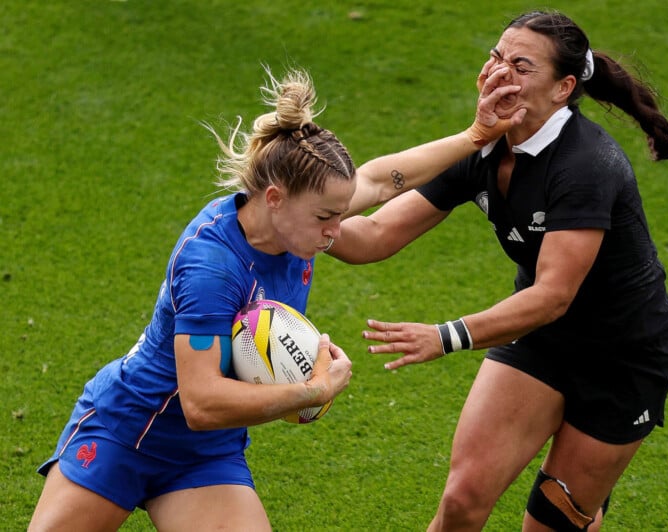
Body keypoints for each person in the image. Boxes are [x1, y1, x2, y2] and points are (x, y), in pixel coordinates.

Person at [27, 66, 523, 531]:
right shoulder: (212, 267)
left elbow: (377, 180)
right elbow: (200, 401)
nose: (336, 233)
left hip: (205, 453)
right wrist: (314, 390)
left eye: (338, 214)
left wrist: (475, 137)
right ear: (274, 198)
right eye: (325, 218)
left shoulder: (297, 222)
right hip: (127, 432)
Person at [329, 9, 668, 532]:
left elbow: (553, 295)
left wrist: (444, 337)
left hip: (621, 359)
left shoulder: (586, 165)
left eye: (520, 65)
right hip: (541, 339)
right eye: (496, 56)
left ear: (563, 88)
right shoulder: (485, 146)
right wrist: (307, 224)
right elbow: (377, 235)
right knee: (462, 500)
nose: (499, 73)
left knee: (551, 524)